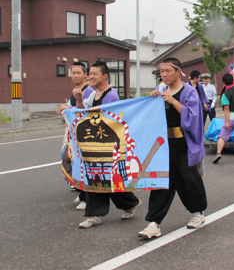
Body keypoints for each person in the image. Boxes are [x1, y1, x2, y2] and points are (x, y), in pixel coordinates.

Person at [139, 58, 208, 239]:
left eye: (167, 71)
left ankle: (197, 213)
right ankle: (154, 223)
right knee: (161, 181)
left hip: (184, 143)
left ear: (178, 71)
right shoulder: (161, 90)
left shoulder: (189, 91)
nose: (163, 74)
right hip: (164, 144)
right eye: (161, 71)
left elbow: (194, 117)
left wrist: (173, 101)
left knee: (189, 178)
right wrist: (154, 101)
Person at [74, 62, 142, 229]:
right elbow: (83, 112)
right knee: (98, 178)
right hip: (94, 143)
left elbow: (106, 119)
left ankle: (96, 214)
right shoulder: (94, 94)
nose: (91, 76)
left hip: (107, 144)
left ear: (105, 76)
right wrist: (78, 100)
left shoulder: (111, 95)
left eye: (94, 74)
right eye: (90, 73)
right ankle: (127, 204)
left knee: (105, 178)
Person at [56, 62, 95, 210]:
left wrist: (69, 108)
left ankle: (85, 194)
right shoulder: (75, 90)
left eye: (78, 73)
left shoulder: (89, 90)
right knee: (68, 159)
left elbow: (86, 110)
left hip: (84, 132)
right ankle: (79, 189)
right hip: (72, 132)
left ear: (85, 75)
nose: (75, 76)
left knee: (80, 162)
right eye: (73, 73)